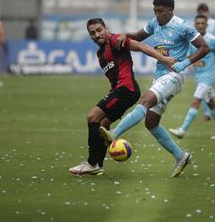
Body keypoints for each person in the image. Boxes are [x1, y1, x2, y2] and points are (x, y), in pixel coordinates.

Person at [99, 0, 209, 177]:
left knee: (145, 101)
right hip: (160, 77)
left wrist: (185, 63)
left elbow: (204, 47)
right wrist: (125, 34)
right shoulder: (154, 23)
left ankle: (114, 133)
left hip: (175, 75)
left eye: (160, 11)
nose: (157, 15)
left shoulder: (182, 26)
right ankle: (181, 156)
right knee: (151, 122)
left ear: (170, 10)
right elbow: (139, 36)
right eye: (155, 11)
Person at [69, 18, 177, 176]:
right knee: (103, 124)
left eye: (99, 30)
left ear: (106, 28)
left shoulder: (115, 40)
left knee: (92, 117)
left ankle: (91, 164)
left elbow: (140, 46)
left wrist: (163, 59)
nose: (97, 34)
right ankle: (98, 165)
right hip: (120, 91)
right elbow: (114, 76)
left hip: (126, 90)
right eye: (92, 33)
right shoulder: (100, 53)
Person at [169, 15, 215, 140]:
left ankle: (182, 129)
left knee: (195, 101)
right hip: (200, 78)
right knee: (212, 103)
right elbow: (191, 58)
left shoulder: (212, 40)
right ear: (195, 25)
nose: (201, 25)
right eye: (198, 23)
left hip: (208, 79)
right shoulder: (193, 41)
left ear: (207, 25)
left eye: (203, 23)